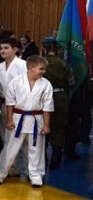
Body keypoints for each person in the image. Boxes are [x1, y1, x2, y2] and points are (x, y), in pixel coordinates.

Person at [0, 55, 54, 187]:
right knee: (10, 148)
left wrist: (46, 125)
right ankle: (0, 173)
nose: (44, 71)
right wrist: (9, 120)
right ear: (31, 68)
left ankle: (35, 175)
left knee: (36, 149)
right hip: (17, 118)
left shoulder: (46, 84)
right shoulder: (16, 81)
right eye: (41, 69)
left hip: (36, 120)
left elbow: (47, 106)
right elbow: (10, 103)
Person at [41, 39, 74, 169]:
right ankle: (56, 158)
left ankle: (42, 157)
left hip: (42, 97)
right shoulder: (63, 64)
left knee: (42, 125)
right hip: (60, 97)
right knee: (59, 126)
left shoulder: (40, 63)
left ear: (44, 48)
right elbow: (71, 82)